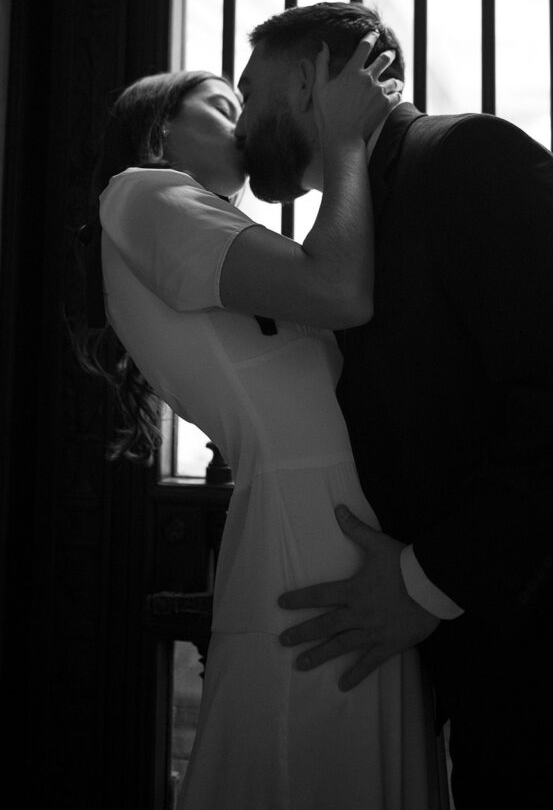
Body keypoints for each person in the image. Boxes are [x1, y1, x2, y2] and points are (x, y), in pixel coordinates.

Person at [235, 0, 553, 807]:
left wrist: (420, 584)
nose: (240, 119)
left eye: (250, 87)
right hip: (521, 656)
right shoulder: (356, 223)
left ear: (307, 79)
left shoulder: (469, 157)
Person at [77, 41, 450, 809]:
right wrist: (344, 138)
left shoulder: (208, 228)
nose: (245, 118)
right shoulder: (142, 193)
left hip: (338, 529)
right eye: (222, 103)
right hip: (304, 532)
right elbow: (342, 292)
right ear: (159, 133)